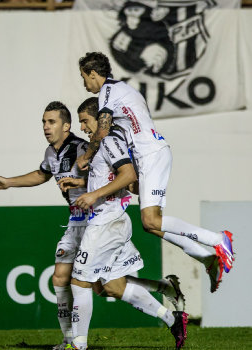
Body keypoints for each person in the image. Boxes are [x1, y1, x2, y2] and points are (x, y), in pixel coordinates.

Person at [0, 101, 185, 350]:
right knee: (63, 277)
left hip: (101, 220)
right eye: (44, 122)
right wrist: (8, 182)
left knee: (105, 286)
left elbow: (115, 176)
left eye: (52, 122)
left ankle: (81, 342)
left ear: (66, 125)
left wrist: (84, 184)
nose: (46, 127)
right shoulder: (51, 153)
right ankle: (70, 339)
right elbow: (41, 174)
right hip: (77, 222)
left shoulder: (84, 148)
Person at [75, 52, 233, 292]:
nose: (84, 83)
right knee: (151, 225)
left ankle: (218, 240)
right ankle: (207, 258)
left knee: (151, 219)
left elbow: (103, 128)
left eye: (84, 77)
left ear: (93, 74)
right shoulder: (122, 91)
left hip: (151, 154)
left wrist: (86, 157)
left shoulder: (108, 90)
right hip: (148, 155)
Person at [57, 97, 188, 350]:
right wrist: (82, 185)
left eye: (85, 121)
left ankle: (78, 344)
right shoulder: (99, 146)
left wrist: (93, 195)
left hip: (108, 223)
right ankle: (173, 320)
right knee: (113, 287)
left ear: (99, 119)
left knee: (79, 281)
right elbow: (114, 179)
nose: (82, 127)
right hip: (111, 221)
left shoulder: (109, 141)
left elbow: (128, 176)